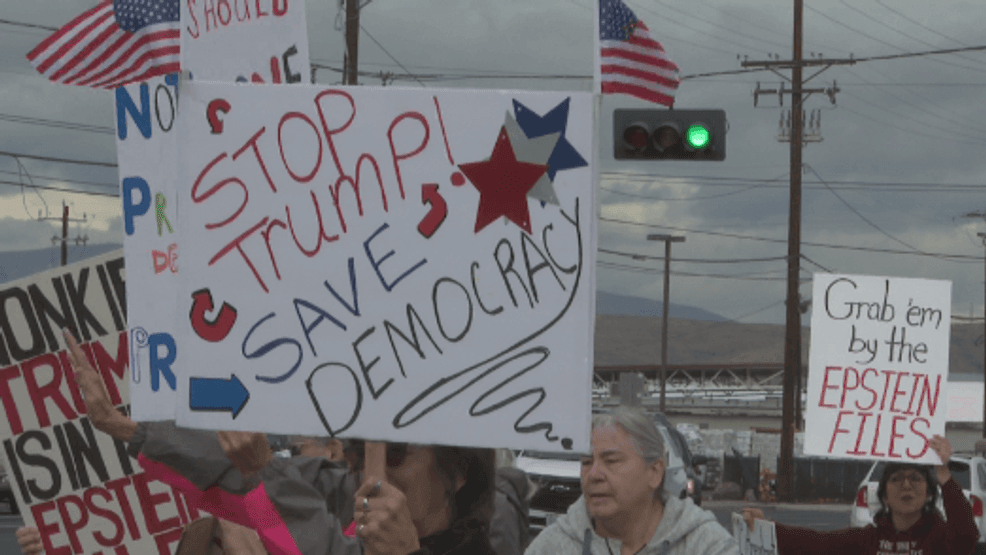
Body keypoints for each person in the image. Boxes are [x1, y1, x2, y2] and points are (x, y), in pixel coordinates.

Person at [30, 329, 496, 555]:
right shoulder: (336, 491)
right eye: (360, 450)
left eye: (397, 452)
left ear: (458, 472)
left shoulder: (494, 545)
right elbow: (235, 475)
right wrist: (126, 427)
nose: (372, 472)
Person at [526, 406, 738, 555]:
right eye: (586, 462)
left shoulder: (706, 546)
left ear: (654, 472)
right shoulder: (552, 546)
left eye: (611, 461)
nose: (594, 475)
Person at [742, 435, 979, 555]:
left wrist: (944, 474)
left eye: (915, 478)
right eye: (896, 479)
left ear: (929, 494)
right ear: (884, 496)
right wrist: (767, 527)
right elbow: (815, 544)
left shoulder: (940, 539)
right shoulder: (868, 540)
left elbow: (967, 536)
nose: (906, 485)